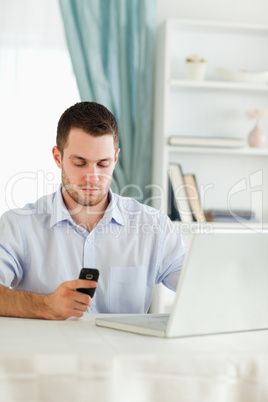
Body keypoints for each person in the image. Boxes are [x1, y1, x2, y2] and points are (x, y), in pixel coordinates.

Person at [0, 102, 186, 320]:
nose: (93, 177)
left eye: (103, 163)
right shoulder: (19, 225)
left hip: (124, 353)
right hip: (47, 353)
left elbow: (200, 287)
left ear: (115, 159)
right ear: (57, 157)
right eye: (80, 163)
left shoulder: (154, 227)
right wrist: (45, 305)